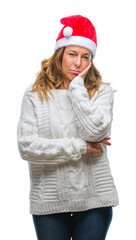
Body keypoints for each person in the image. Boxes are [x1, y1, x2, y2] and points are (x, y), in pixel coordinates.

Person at [17, 14, 119, 240]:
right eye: (72, 54)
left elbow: (95, 132)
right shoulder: (35, 96)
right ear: (59, 55)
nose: (78, 63)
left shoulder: (101, 92)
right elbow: (27, 147)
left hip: (95, 198)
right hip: (49, 199)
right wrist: (80, 147)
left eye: (85, 56)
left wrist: (77, 89)